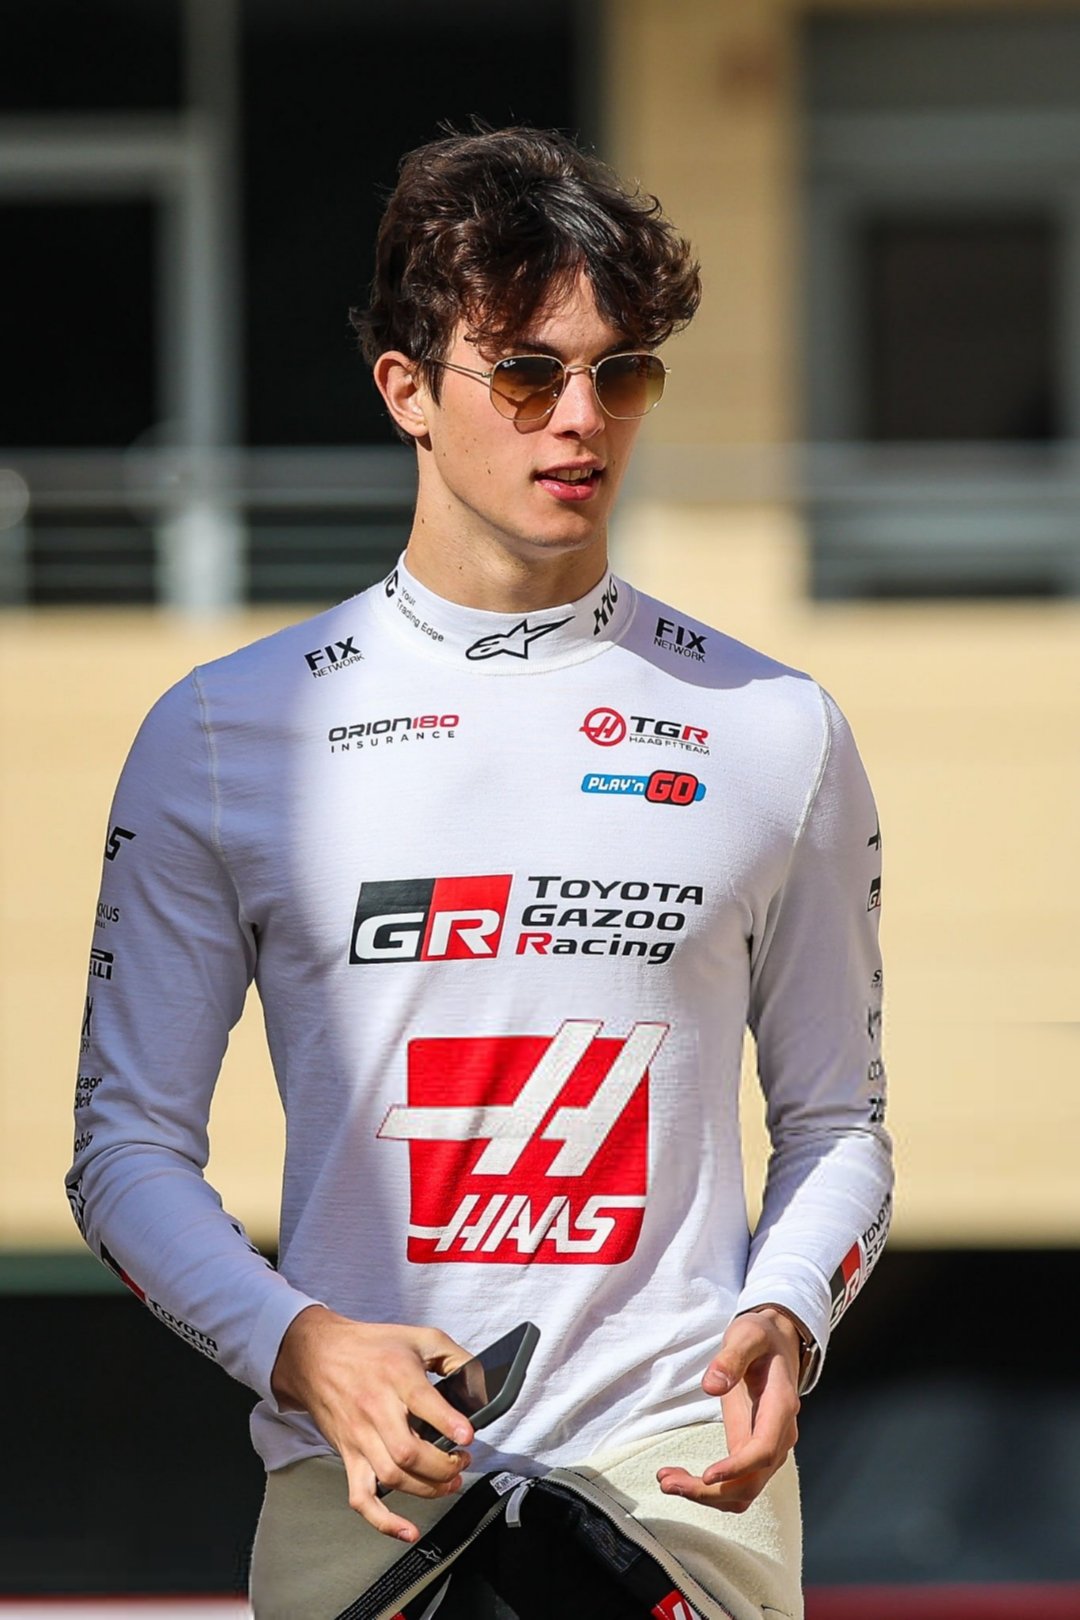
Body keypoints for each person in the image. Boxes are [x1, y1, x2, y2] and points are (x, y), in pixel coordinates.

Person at [67, 126, 892, 1620]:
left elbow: (839, 1126)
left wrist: (789, 1306)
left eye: (620, 373)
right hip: (372, 1499)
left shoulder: (776, 729)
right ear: (407, 391)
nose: (580, 418)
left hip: (677, 1496)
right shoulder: (225, 732)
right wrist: (299, 1345)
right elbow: (123, 1152)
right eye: (524, 373)